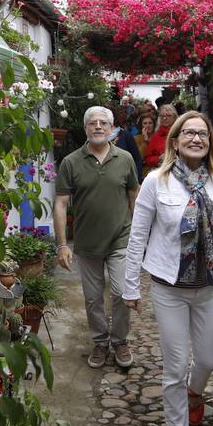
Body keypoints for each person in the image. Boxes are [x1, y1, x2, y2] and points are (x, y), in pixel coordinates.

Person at [123, 111, 213, 426]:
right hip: (169, 289)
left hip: (209, 287)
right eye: (188, 133)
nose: (196, 138)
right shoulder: (155, 183)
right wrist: (131, 286)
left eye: (203, 134)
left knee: (207, 359)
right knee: (175, 366)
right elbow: (138, 235)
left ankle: (196, 394)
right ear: (174, 141)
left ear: (209, 143)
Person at [55, 106, 140, 369]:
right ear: (85, 128)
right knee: (92, 298)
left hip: (120, 238)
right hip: (87, 242)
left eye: (104, 122)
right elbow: (60, 204)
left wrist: (139, 237)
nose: (99, 127)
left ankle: (120, 340)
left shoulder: (125, 159)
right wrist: (61, 245)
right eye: (93, 123)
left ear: (112, 128)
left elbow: (134, 197)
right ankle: (101, 342)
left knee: (121, 291)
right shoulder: (71, 162)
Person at [110, 105, 144, 181]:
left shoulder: (125, 135)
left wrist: (137, 180)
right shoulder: (94, 138)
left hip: (123, 181)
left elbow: (136, 159)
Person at [143, 104, 177, 173]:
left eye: (168, 115)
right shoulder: (156, 136)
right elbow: (147, 158)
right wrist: (158, 159)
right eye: (162, 116)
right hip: (161, 173)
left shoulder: (181, 133)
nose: (164, 118)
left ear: (174, 117)